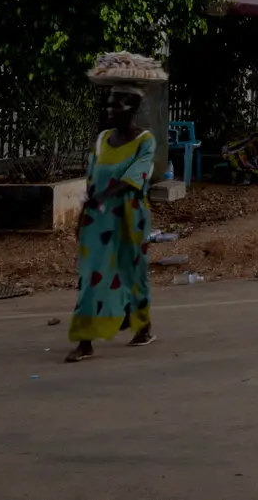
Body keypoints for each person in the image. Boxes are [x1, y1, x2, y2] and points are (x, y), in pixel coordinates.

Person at [66, 81, 157, 362]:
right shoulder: (102, 139)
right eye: (109, 103)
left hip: (130, 216)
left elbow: (135, 177)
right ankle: (85, 340)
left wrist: (104, 195)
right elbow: (92, 179)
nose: (109, 108)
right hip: (98, 218)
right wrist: (83, 215)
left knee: (132, 273)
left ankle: (141, 325)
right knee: (91, 274)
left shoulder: (146, 141)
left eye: (117, 103)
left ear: (133, 107)